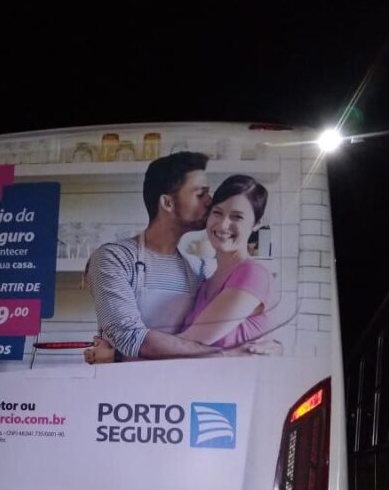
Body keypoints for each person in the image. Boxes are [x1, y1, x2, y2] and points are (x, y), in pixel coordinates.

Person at [84, 155, 277, 362]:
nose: (209, 201)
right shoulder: (114, 258)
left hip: (181, 377)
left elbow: (217, 337)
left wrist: (271, 346)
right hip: (126, 380)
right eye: (201, 194)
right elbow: (129, 338)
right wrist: (227, 354)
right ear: (167, 203)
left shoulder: (199, 269)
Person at [176, 174, 270, 348]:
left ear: (257, 223)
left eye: (237, 217)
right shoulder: (206, 282)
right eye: (217, 213)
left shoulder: (253, 274)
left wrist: (128, 351)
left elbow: (187, 344)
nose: (223, 225)